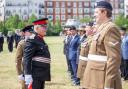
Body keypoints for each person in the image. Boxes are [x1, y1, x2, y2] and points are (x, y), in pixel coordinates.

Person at [81, 1, 122, 89]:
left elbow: (114, 59)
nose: (94, 15)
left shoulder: (111, 28)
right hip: (94, 77)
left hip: (102, 80)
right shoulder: (100, 28)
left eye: (96, 12)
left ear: (104, 12)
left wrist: (109, 85)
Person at [23, 18, 51, 89]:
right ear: (37, 27)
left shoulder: (40, 39)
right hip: (34, 75)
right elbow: (27, 59)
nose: (45, 29)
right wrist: (28, 75)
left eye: (46, 27)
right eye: (43, 27)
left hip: (41, 74)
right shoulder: (32, 40)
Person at [15, 25, 34, 89]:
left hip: (36, 71)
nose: (32, 34)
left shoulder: (36, 41)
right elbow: (18, 59)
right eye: (30, 32)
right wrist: (19, 74)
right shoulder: (22, 43)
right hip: (26, 71)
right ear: (25, 33)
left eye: (32, 32)